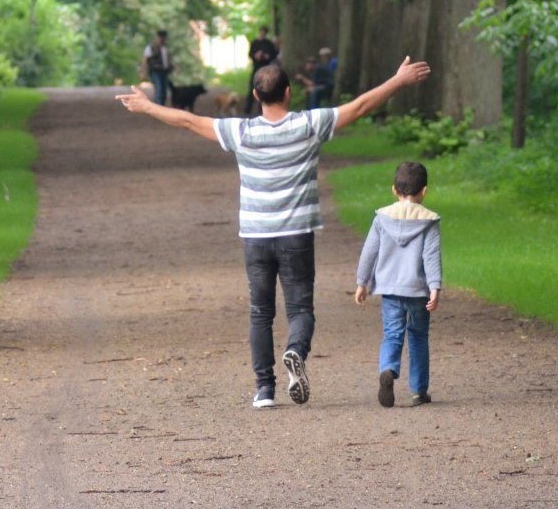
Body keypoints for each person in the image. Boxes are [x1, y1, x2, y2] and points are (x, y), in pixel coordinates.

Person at [115, 55, 431, 409]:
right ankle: (295, 351)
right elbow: (359, 107)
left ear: (255, 94)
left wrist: (147, 106)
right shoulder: (309, 125)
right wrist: (398, 80)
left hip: (256, 236)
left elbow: (188, 121)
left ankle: (264, 389)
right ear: (289, 93)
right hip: (296, 235)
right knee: (300, 309)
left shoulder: (241, 132)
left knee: (260, 312)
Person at [354, 161, 442, 408]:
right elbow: (431, 256)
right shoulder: (429, 221)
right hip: (418, 291)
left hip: (390, 290)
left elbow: (369, 251)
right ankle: (418, 391)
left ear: (394, 190)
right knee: (418, 338)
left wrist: (363, 282)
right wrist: (434, 287)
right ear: (424, 191)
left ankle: (389, 369)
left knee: (392, 334)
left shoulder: (382, 218)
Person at [242, 26, 280, 115]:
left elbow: (274, 54)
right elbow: (250, 54)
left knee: (264, 88)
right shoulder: (254, 43)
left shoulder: (269, 44)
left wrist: (267, 56)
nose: (262, 33)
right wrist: (256, 56)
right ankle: (247, 110)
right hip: (256, 68)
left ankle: (262, 110)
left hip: (265, 69)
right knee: (252, 88)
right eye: (261, 32)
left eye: (264, 32)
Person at [140, 29, 175, 106]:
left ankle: (161, 106)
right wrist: (144, 72)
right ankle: (158, 107)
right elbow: (145, 61)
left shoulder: (166, 47)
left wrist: (172, 66)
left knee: (164, 90)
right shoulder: (151, 47)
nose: (162, 39)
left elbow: (168, 59)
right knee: (159, 89)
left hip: (165, 71)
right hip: (155, 71)